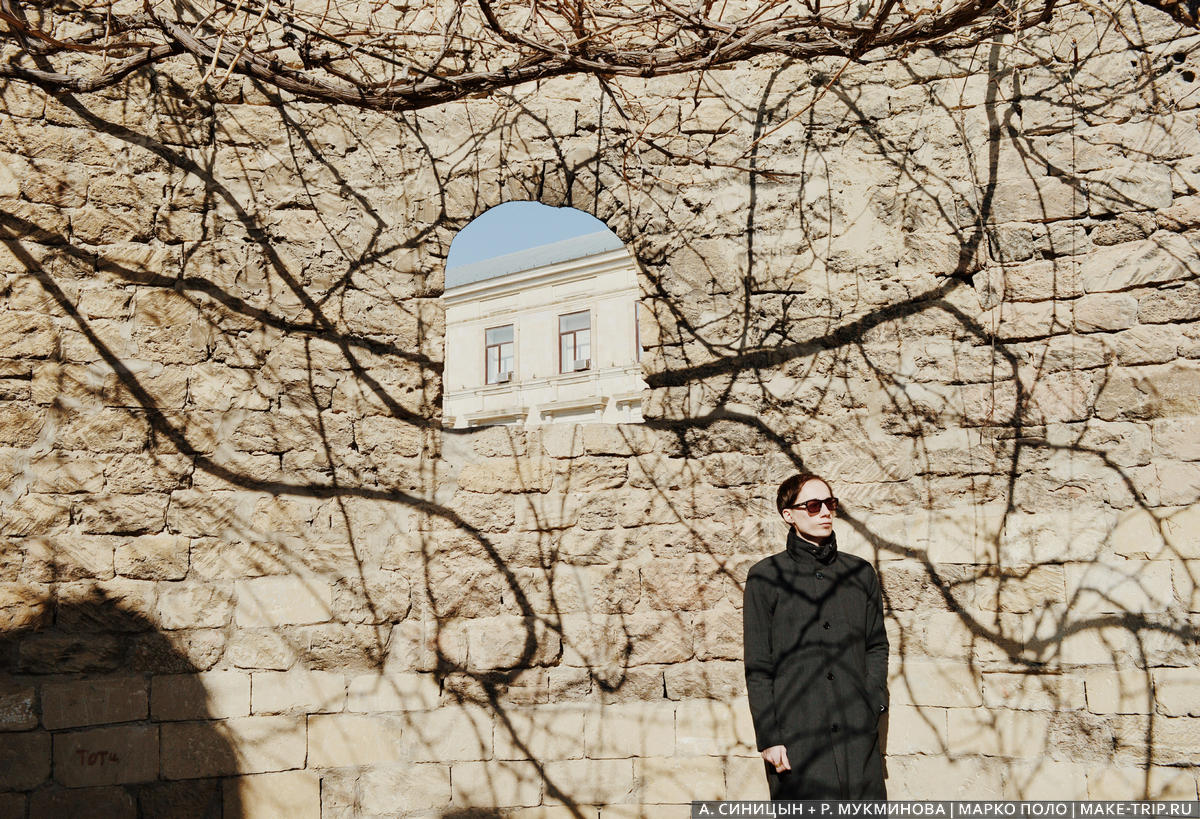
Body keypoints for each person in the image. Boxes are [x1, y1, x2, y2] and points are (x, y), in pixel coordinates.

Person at [742, 472, 889, 799]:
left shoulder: (860, 573)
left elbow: (876, 645)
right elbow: (758, 666)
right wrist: (769, 737)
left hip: (857, 734)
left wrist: (873, 701)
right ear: (789, 515)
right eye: (812, 505)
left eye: (830, 503)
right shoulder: (765, 578)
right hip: (797, 738)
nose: (825, 512)